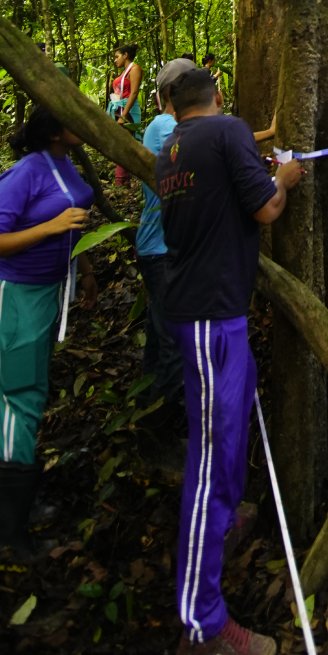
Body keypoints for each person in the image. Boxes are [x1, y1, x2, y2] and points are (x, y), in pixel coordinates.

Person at [156, 67, 304, 655]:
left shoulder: (170, 146)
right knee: (212, 460)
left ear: (171, 101)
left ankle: (228, 516)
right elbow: (267, 208)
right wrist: (285, 179)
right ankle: (201, 624)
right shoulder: (228, 130)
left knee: (228, 429)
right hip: (214, 315)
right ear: (216, 94)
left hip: (196, 309)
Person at [0, 105, 99, 558]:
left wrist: (85, 268)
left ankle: (22, 502)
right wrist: (49, 226)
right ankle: (4, 534)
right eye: (74, 117)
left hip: (49, 292)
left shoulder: (65, 163)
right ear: (53, 130)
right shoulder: (24, 173)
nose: (83, 125)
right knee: (17, 401)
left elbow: (74, 220)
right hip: (15, 296)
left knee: (32, 394)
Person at [135, 57, 195, 419]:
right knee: (173, 340)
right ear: (175, 92)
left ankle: (146, 412)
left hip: (163, 247)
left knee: (160, 336)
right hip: (161, 249)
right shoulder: (164, 126)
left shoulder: (177, 125)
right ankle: (162, 428)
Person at [107, 44, 143, 185]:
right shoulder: (122, 73)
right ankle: (125, 180)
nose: (115, 60)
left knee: (124, 145)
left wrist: (124, 116)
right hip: (119, 111)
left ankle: (120, 181)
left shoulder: (134, 69)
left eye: (117, 57)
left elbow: (133, 93)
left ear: (126, 55)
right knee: (121, 145)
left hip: (127, 113)